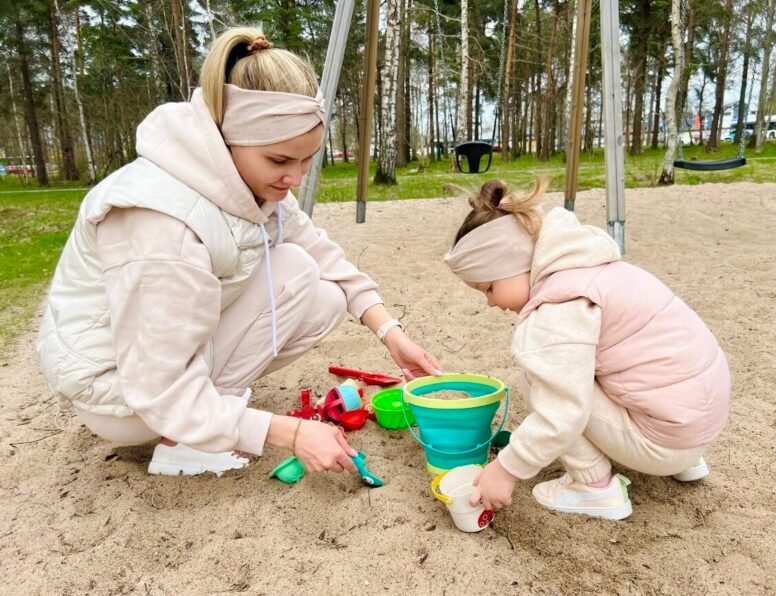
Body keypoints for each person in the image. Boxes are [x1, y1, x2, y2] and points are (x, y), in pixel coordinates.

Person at [37, 27, 442, 478]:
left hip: (157, 362)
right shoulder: (160, 221)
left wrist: (391, 333)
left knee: (318, 288)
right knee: (295, 273)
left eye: (306, 161)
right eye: (280, 161)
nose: (295, 178)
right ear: (228, 137)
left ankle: (211, 414)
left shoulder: (249, 182)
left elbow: (323, 254)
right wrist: (287, 432)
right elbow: (158, 386)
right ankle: (182, 441)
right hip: (119, 394)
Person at [444, 179, 730, 520]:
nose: (491, 303)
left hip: (666, 442)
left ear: (512, 262)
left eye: (489, 288)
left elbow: (562, 413)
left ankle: (595, 488)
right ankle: (683, 461)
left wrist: (504, 470)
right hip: (698, 424)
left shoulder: (560, 304)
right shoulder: (590, 266)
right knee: (588, 367)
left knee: (540, 380)